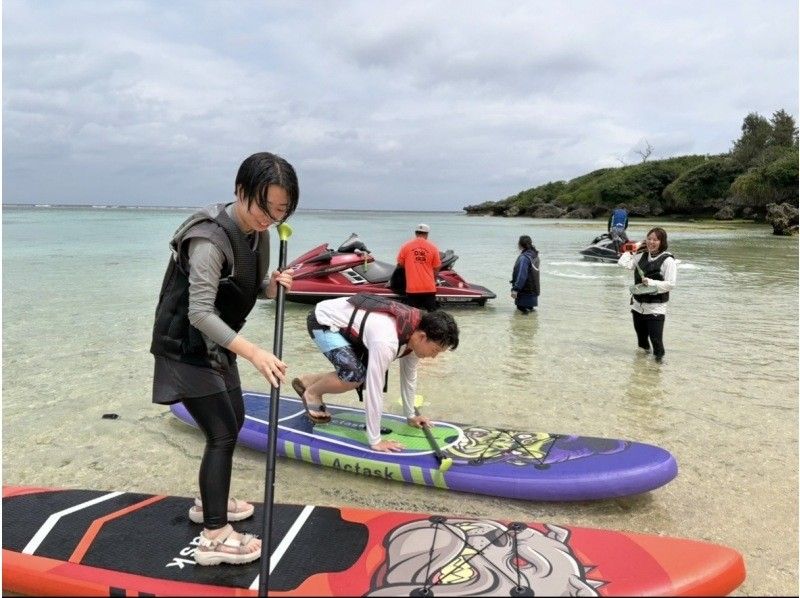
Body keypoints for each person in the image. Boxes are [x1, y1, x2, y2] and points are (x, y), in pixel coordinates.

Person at [149, 152, 299, 566]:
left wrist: (273, 286)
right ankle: (214, 537)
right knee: (221, 433)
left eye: (281, 209)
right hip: (185, 347)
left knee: (232, 423)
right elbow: (199, 312)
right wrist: (253, 353)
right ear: (239, 191)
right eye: (263, 206)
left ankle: (208, 502)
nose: (270, 216)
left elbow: (244, 285)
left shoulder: (259, 234)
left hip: (216, 346)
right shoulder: (208, 239)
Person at [292, 293, 459, 452]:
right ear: (422, 337)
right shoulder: (387, 340)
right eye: (435, 350)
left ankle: (307, 381)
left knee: (357, 374)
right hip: (323, 321)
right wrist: (375, 440)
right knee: (356, 377)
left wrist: (410, 416)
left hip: (349, 326)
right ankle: (312, 393)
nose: (434, 356)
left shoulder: (414, 335)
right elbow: (374, 389)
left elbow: (409, 378)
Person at [618, 227, 676, 363]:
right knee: (642, 342)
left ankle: (658, 368)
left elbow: (671, 284)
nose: (651, 242)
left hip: (656, 309)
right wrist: (632, 249)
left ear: (662, 242)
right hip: (638, 307)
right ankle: (642, 370)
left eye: (655, 239)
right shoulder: (641, 256)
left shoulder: (668, 261)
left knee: (656, 342)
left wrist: (651, 282)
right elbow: (622, 263)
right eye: (649, 239)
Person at [395, 223, 442, 311]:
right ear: (427, 234)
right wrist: (433, 280)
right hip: (429, 288)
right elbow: (437, 267)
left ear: (416, 233)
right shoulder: (433, 247)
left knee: (413, 316)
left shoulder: (405, 246)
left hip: (412, 289)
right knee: (433, 315)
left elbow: (400, 264)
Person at [510, 235, 540, 314]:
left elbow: (522, 276)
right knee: (530, 315)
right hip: (534, 292)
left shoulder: (524, 258)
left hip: (524, 293)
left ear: (520, 244)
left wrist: (516, 289)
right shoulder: (535, 255)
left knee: (521, 316)